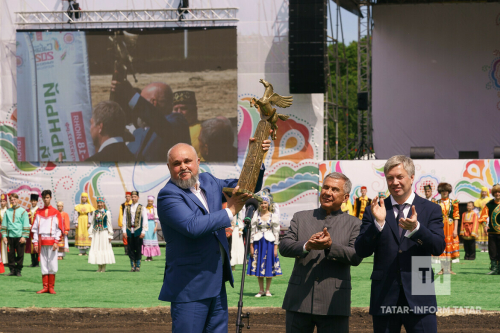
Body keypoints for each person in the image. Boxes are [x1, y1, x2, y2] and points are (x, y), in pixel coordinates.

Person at [157, 139, 268, 333]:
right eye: (176, 163)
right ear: (169, 167)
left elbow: (245, 188)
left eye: (187, 161)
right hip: (189, 289)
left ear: (198, 162)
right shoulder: (168, 195)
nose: (183, 167)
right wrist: (230, 211)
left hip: (216, 283)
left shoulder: (209, 180)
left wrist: (254, 158)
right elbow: (193, 227)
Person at [355, 155, 445, 333]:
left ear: (412, 178)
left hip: (421, 293)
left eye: (399, 176)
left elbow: (438, 247)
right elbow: (361, 250)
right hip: (384, 295)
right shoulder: (374, 209)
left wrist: (417, 228)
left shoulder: (431, 209)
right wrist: (378, 224)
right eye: (390, 178)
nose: (394, 182)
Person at [279, 172, 362, 333]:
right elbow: (284, 246)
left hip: (334, 303)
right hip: (298, 301)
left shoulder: (355, 224)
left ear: (345, 197)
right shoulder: (300, 217)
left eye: (334, 189)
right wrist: (306, 246)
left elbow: (356, 256)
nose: (328, 192)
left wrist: (331, 246)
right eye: (325, 187)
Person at [111, 80, 191, 162]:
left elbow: (162, 125)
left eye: (143, 101)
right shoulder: (138, 132)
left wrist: (131, 95)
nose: (137, 110)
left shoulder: (177, 122)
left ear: (153, 103)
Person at [247, 194, 282, 297]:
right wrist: (251, 246)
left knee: (268, 265)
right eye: (261, 203)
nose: (263, 205)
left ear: (268, 204)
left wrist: (276, 247)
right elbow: (252, 231)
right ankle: (261, 290)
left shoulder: (273, 216)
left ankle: (267, 290)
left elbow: (276, 232)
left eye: (265, 203)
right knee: (259, 264)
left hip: (269, 242)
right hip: (258, 242)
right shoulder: (255, 216)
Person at [32, 190, 63, 294]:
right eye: (44, 198)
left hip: (52, 242)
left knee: (52, 263)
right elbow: (35, 229)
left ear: (51, 198)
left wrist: (56, 241)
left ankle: (51, 287)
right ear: (42, 198)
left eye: (47, 197)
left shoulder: (56, 212)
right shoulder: (38, 212)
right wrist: (35, 242)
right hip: (42, 242)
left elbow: (59, 229)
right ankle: (45, 287)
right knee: (44, 264)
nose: (46, 199)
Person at [0, 193, 30, 277]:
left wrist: (24, 236)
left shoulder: (23, 211)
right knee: (11, 254)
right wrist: (4, 236)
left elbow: (26, 224)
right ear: (10, 201)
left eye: (14, 199)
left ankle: (19, 270)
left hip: (20, 236)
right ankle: (12, 270)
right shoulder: (7, 212)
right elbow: (4, 225)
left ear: (17, 200)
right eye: (11, 200)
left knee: (20, 254)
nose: (13, 201)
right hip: (10, 236)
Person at [435, 182, 460, 274]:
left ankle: (449, 269)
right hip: (440, 227)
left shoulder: (454, 203)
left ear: (449, 191)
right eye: (442, 190)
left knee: (450, 247)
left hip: (450, 227)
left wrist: (455, 229)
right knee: (442, 246)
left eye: (446, 190)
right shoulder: (436, 202)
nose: (444, 192)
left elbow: (456, 217)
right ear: (440, 192)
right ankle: (442, 269)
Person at [122, 191, 148, 272]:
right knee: (130, 249)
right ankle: (132, 266)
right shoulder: (127, 207)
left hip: (138, 230)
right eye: (132, 197)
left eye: (135, 197)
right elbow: (124, 220)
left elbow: (145, 220)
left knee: (138, 248)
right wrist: (124, 231)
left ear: (138, 197)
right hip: (129, 231)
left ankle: (137, 266)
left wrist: (143, 231)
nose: (133, 198)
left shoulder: (142, 207)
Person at [88, 197, 115, 272]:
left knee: (103, 248)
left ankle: (103, 267)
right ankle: (99, 267)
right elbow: (92, 223)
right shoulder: (94, 212)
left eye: (101, 202)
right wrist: (90, 234)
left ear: (103, 203)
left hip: (104, 233)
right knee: (97, 248)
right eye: (98, 202)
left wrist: (110, 235)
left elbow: (109, 224)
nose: (100, 204)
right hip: (96, 233)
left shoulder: (107, 212)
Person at [172, 90, 202, 158]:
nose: (179, 112)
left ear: (194, 110)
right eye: (176, 109)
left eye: (183, 108)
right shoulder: (169, 131)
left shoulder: (202, 130)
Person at [479, 184, 500, 275]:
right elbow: (483, 217)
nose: (497, 194)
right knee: (493, 250)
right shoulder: (489, 205)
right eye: (495, 192)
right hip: (492, 232)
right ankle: (495, 269)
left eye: (499, 192)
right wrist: (484, 225)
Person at [143, 196, 161, 261]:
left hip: (152, 224)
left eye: (151, 201)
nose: (150, 202)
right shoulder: (145, 208)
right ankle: (148, 256)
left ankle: (150, 256)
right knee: (146, 240)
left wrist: (156, 226)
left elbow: (156, 218)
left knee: (152, 239)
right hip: (146, 225)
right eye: (149, 201)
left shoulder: (154, 209)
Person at [474, 186, 490, 252]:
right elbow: (476, 209)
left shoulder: (490, 200)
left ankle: (486, 247)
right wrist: (478, 215)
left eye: (485, 192)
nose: (484, 193)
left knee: (487, 231)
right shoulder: (478, 200)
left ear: (487, 192)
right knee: (480, 230)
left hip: (487, 216)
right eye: (483, 192)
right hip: (480, 216)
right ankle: (482, 247)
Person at [26, 193, 40, 267]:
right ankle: (33, 262)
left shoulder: (39, 210)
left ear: (37, 201)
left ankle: (37, 262)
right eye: (32, 201)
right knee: (30, 246)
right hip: (29, 230)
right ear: (30, 201)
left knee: (37, 245)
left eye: (35, 201)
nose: (33, 202)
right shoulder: (27, 210)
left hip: (37, 231)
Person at [230, 206, 245, 270]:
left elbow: (240, 218)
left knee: (234, 246)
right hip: (226, 228)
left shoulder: (238, 206)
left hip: (235, 228)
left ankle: (233, 265)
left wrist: (240, 229)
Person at [0, 194, 9, 266]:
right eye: (1, 201)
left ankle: (9, 260)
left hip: (9, 230)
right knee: (2, 245)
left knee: (9, 245)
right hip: (1, 231)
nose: (2, 203)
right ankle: (3, 260)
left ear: (6, 202)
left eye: (4, 201)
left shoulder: (9, 210)